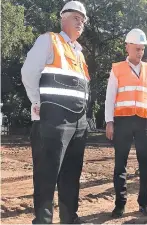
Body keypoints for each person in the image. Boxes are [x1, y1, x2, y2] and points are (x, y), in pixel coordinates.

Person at [21, 1, 90, 223]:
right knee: (46, 177)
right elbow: (29, 71)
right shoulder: (49, 40)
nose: (80, 22)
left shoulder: (79, 53)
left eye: (83, 20)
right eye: (76, 18)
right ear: (63, 18)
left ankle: (70, 218)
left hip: (78, 123)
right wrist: (36, 102)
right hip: (53, 120)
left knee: (71, 176)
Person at [105, 28, 147, 218]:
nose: (140, 52)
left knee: (145, 163)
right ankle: (120, 204)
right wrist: (109, 122)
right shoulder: (117, 69)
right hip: (122, 120)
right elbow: (109, 98)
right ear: (127, 47)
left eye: (142, 49)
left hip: (143, 120)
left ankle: (144, 203)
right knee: (120, 164)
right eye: (137, 48)